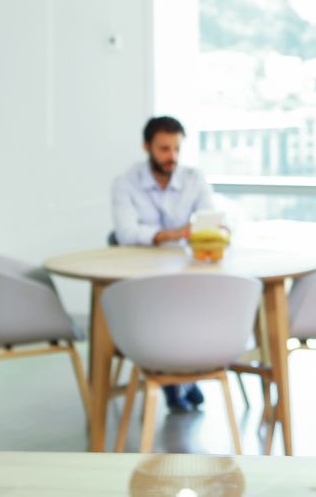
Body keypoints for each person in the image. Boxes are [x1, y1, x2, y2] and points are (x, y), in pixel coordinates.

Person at [112, 115, 214, 412]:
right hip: (141, 273)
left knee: (196, 309)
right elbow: (126, 233)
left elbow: (208, 220)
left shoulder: (194, 179)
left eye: (176, 149)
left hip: (186, 271)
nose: (172, 157)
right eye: (164, 149)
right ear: (147, 147)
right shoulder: (125, 183)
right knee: (163, 310)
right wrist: (173, 234)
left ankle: (182, 379)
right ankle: (179, 381)